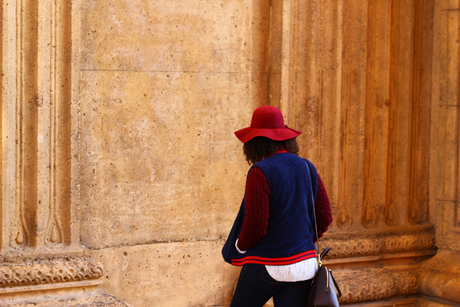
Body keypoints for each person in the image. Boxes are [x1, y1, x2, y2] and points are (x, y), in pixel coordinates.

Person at [222, 105, 333, 307]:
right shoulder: (307, 167)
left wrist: (239, 246)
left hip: (270, 263)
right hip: (305, 265)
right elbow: (324, 216)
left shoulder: (260, 171)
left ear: (255, 142)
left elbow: (256, 225)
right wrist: (302, 240)